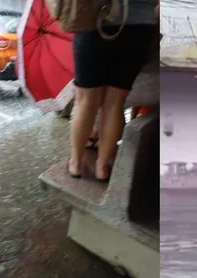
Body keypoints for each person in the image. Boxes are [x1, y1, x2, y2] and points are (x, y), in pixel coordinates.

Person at [68, 0, 159, 181]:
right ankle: (102, 167)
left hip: (94, 22)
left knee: (85, 102)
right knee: (115, 104)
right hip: (139, 30)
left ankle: (76, 163)